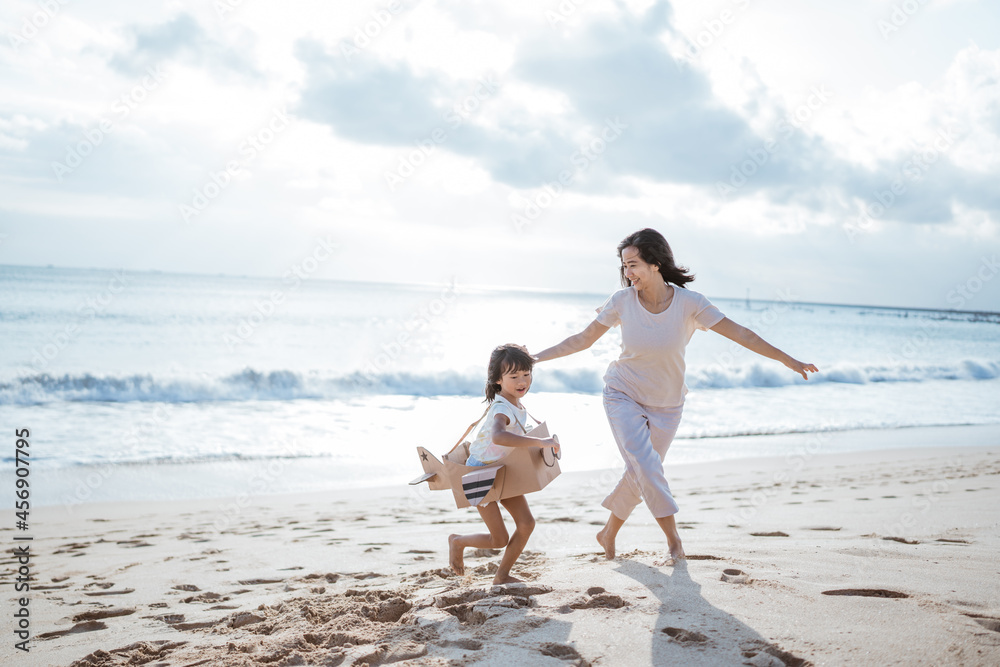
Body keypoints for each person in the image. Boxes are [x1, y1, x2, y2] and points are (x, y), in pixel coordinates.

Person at [533, 229, 818, 564]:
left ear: (656, 263)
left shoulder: (690, 304)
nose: (628, 273)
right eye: (624, 266)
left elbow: (742, 334)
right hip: (622, 394)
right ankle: (674, 544)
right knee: (647, 466)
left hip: (668, 405)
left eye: (634, 264)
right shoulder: (622, 301)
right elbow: (582, 340)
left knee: (642, 473)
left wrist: (788, 359)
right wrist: (535, 358)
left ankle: (608, 533)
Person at [448, 343, 561, 585]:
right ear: (498, 380)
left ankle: (501, 576)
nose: (522, 381)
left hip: (501, 469)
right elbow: (498, 436)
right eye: (514, 376)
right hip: (479, 473)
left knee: (527, 523)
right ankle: (457, 541)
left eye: (526, 374)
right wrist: (540, 441)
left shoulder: (517, 404)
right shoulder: (502, 408)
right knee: (498, 539)